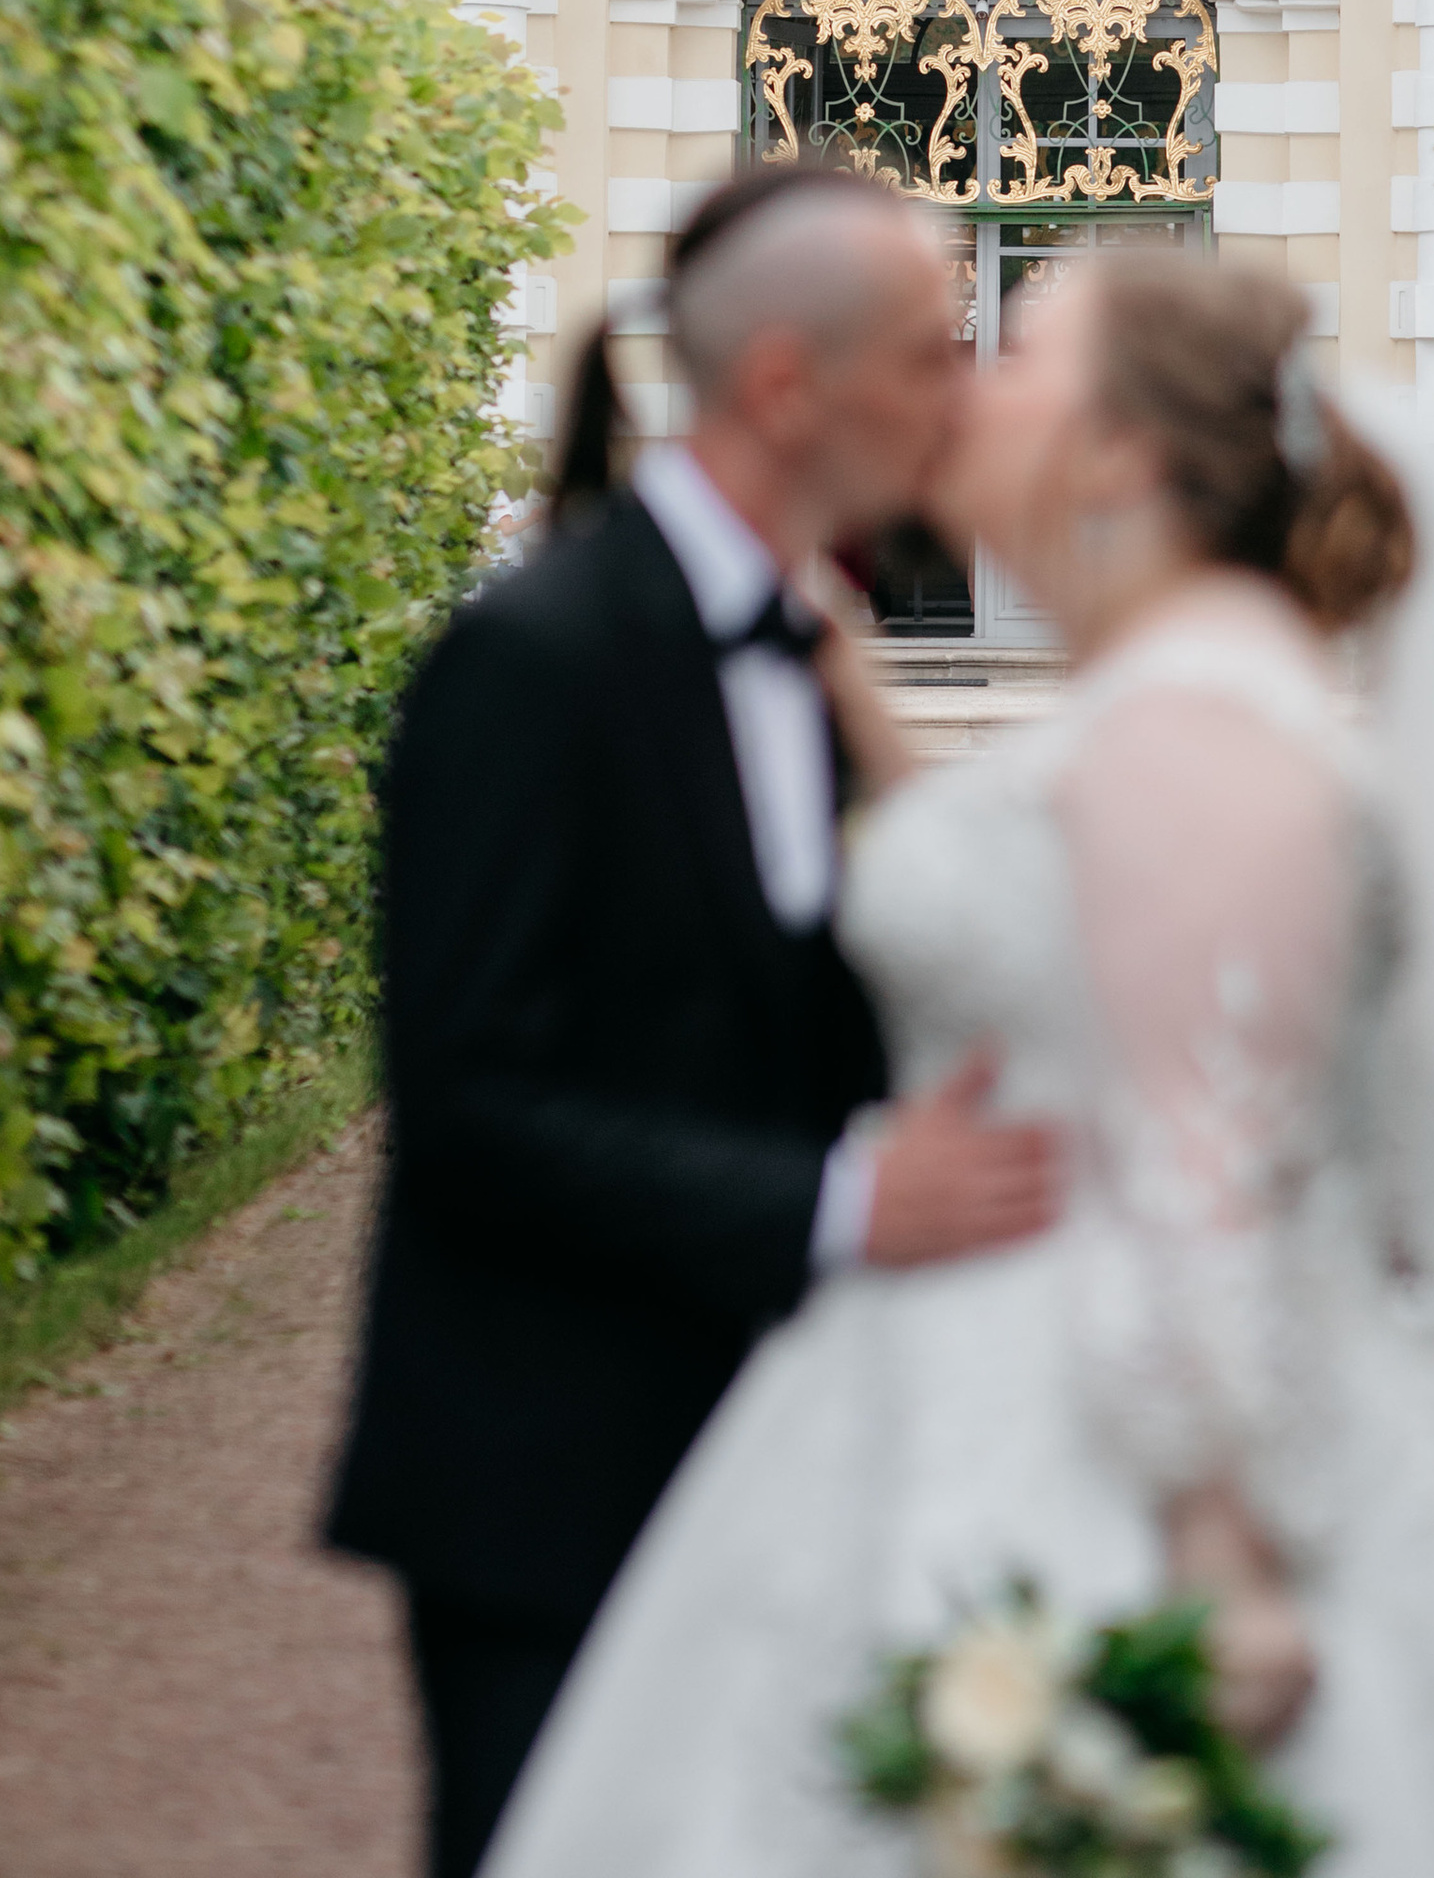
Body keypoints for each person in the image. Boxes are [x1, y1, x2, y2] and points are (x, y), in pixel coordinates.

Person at [481, 253, 1434, 1878]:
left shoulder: (1205, 725)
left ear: (1122, 451)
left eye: (1022, 350)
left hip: (1115, 1448)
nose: (970, 379)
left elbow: (1208, 1160)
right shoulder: (1182, 694)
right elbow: (1077, 967)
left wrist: (1214, 1557)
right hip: (976, 1368)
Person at [326, 164, 1063, 1878]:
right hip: (546, 1468)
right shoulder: (533, 659)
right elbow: (469, 1096)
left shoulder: (809, 645)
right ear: (789, 383)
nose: (959, 396)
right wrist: (842, 1205)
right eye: (927, 355)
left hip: (770, 1436)